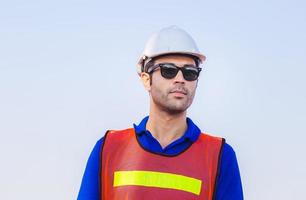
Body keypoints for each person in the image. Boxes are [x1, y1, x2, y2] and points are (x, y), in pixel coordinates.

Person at [77, 26, 243, 200]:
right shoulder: (108, 148)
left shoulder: (220, 155)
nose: (180, 79)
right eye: (168, 70)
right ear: (146, 79)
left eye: (190, 73)